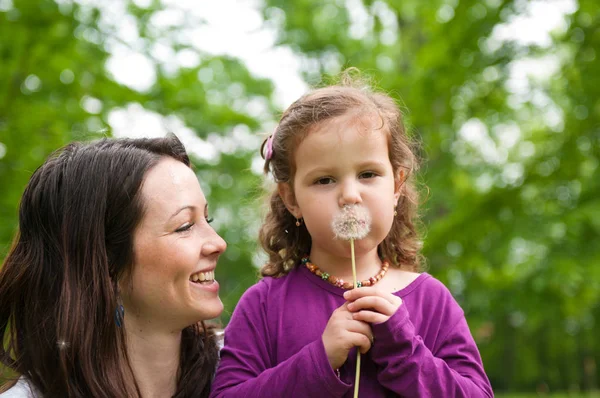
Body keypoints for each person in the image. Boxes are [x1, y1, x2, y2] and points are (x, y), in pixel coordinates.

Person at [211, 72, 494, 397]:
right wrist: (319, 360)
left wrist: (405, 351)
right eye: (324, 180)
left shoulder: (432, 301)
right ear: (291, 199)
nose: (349, 194)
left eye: (368, 174)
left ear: (397, 186)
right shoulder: (263, 305)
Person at [0, 134, 227, 397]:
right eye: (184, 226)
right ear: (107, 264)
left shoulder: (250, 374)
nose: (218, 243)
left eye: (206, 219)